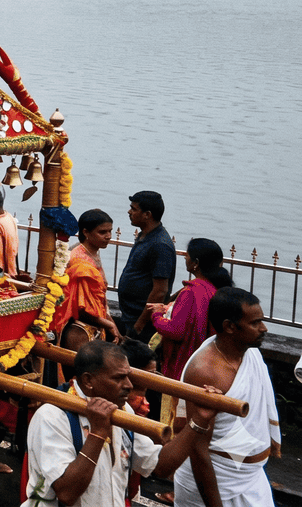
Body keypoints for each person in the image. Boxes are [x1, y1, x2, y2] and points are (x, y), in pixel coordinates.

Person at [23, 339, 211, 507]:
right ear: (88, 380)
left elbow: (160, 466)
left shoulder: (122, 411)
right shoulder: (51, 417)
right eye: (119, 378)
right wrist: (98, 432)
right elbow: (66, 493)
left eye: (128, 376)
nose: (129, 385)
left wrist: (199, 420)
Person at [176, 288, 281, 507]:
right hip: (215, 482)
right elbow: (197, 448)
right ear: (229, 327)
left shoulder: (249, 352)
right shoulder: (206, 371)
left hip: (252, 477)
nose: (264, 329)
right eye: (255, 323)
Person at [149, 238, 232, 409]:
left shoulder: (191, 292)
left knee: (173, 413)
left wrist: (157, 315)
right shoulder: (213, 289)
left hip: (183, 364)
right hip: (204, 362)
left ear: (196, 263)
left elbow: (176, 330)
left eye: (187, 256)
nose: (185, 259)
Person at [55, 209, 122, 348]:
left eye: (110, 231)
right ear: (85, 232)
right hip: (80, 331)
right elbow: (79, 309)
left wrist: (110, 323)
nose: (109, 236)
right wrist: (109, 324)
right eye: (102, 232)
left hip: (96, 325)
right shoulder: (80, 262)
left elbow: (99, 299)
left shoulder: (92, 252)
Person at [119, 190, 175, 341]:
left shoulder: (160, 245)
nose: (129, 212)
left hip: (142, 323)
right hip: (130, 316)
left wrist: (140, 323)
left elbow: (160, 290)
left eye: (134, 209)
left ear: (147, 214)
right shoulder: (145, 235)